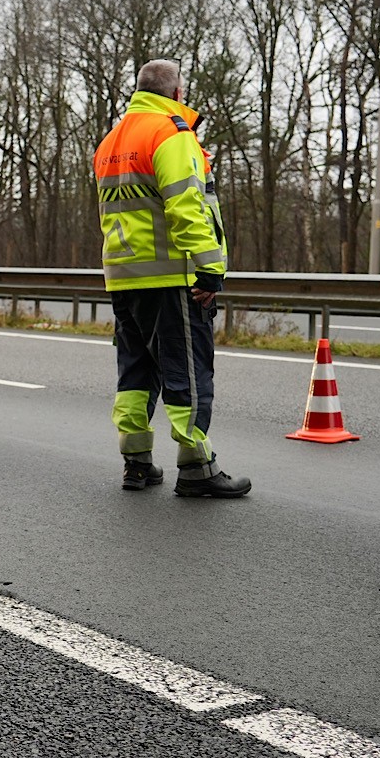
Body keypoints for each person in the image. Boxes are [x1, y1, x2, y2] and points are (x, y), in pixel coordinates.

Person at [95, 59, 250, 498]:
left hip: (124, 276)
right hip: (171, 276)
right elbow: (186, 206)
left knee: (135, 373)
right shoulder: (171, 132)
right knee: (187, 373)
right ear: (177, 92)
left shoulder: (111, 141)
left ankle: (136, 463)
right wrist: (209, 268)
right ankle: (197, 467)